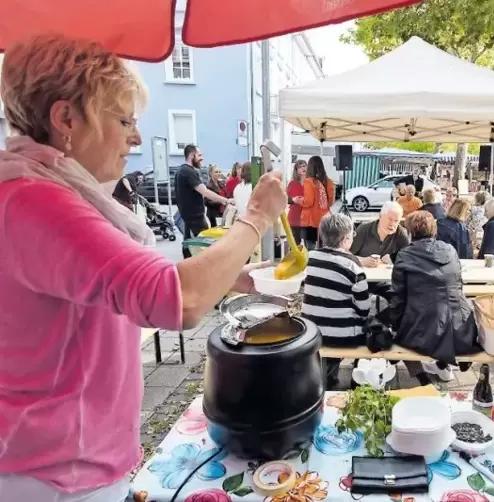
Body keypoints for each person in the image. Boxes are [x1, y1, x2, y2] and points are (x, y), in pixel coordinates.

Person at [0, 34, 288, 501]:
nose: (136, 136)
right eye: (124, 120)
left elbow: (116, 277)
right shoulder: (37, 201)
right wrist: (255, 218)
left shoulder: (32, 191)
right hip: (56, 476)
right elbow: (179, 301)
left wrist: (221, 274)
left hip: (54, 463)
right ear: (65, 118)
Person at [391, 211, 480, 384]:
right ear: (434, 231)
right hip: (461, 329)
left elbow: (398, 300)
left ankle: (421, 375)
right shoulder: (450, 250)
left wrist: (393, 326)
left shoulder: (405, 255)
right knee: (436, 310)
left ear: (410, 232)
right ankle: (442, 365)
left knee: (395, 329)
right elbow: (459, 286)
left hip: (422, 333)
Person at [302, 214, 370, 389]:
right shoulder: (353, 265)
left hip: (311, 333)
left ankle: (330, 379)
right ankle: (358, 379)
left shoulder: (309, 258)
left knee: (329, 311)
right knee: (370, 318)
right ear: (346, 238)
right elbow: (363, 310)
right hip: (343, 337)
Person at [175, 144, 231, 258]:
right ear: (191, 156)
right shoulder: (188, 172)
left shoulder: (181, 170)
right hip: (194, 218)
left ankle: (187, 270)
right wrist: (226, 201)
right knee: (203, 247)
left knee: (189, 246)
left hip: (188, 216)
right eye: (199, 155)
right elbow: (205, 192)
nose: (202, 158)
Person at [350, 201, 410, 267]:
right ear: (380, 216)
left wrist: (394, 258)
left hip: (386, 275)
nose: (392, 224)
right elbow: (345, 255)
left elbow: (409, 256)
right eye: (390, 219)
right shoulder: (364, 229)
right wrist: (361, 261)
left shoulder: (400, 232)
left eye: (396, 221)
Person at [301, 155, 335, 249]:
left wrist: (299, 200)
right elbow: (330, 202)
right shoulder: (329, 181)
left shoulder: (309, 182)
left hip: (310, 220)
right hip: (325, 218)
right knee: (324, 247)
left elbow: (308, 202)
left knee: (310, 248)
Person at [287, 159, 307, 245]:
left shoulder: (311, 183)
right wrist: (293, 200)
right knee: (295, 245)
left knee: (309, 245)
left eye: (304, 166)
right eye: (300, 166)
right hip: (295, 218)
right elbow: (286, 198)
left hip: (308, 218)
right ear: (296, 170)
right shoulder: (292, 184)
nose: (303, 168)